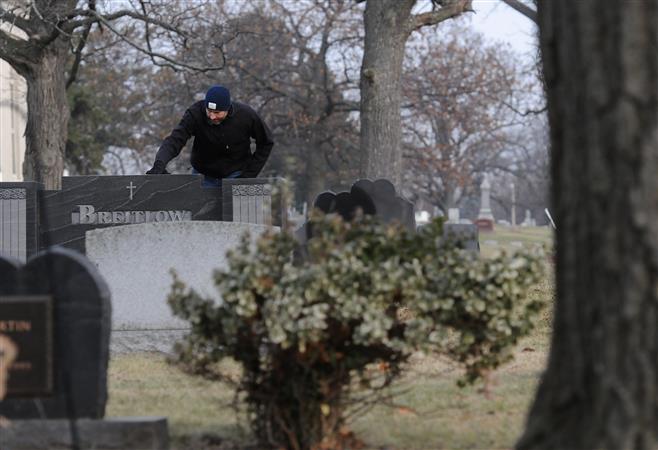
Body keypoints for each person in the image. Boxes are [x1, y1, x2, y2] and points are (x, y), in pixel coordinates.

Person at [146, 85, 274, 186]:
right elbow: (175, 140)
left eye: (217, 112)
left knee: (235, 217)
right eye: (209, 111)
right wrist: (160, 163)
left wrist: (248, 176)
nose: (212, 116)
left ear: (227, 109)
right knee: (201, 217)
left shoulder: (246, 115)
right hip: (203, 175)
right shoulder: (195, 113)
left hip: (236, 174)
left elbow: (266, 142)